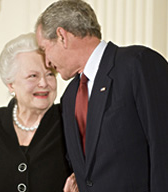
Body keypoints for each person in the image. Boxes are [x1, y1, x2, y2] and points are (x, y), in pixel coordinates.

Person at [35, 0, 168, 191]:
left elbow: (163, 147)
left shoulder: (137, 64)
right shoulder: (70, 96)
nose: (47, 62)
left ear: (62, 36)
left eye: (44, 49)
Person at [0, 32, 75, 192]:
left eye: (50, 74)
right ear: (11, 84)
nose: (44, 83)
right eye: (33, 76)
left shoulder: (70, 122)